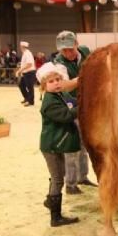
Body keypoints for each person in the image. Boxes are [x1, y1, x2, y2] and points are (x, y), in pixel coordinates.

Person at [53, 30, 97, 193]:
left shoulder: (85, 51)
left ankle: (82, 177)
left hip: (88, 106)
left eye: (70, 48)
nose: (67, 52)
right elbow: (65, 85)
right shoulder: (59, 63)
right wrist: (87, 75)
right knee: (71, 147)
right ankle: (70, 184)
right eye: (63, 50)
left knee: (85, 145)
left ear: (77, 44)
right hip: (70, 108)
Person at [37, 62, 80, 227]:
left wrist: (82, 99)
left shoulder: (61, 95)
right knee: (58, 179)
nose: (55, 83)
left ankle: (51, 201)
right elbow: (66, 116)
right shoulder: (49, 102)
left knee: (58, 175)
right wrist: (83, 106)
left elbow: (73, 102)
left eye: (57, 80)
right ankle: (55, 217)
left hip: (57, 144)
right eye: (51, 81)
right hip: (51, 146)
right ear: (44, 85)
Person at [15, 41, 36, 106]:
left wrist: (20, 70)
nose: (20, 47)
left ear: (22, 47)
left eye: (20, 46)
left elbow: (29, 64)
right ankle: (27, 98)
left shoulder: (27, 53)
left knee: (30, 87)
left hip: (29, 73)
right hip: (25, 73)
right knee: (21, 85)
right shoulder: (25, 53)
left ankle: (31, 101)